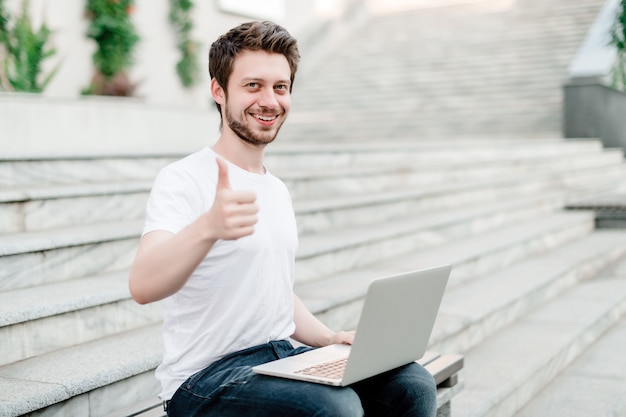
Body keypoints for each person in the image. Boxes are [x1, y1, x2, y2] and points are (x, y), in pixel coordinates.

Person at [128, 20, 437, 417]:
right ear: (218, 91)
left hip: (278, 358)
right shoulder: (183, 178)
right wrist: (208, 228)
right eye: (253, 85)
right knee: (333, 408)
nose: (270, 100)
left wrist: (329, 338)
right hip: (204, 380)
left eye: (280, 87)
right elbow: (143, 285)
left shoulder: (275, 189)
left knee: (411, 385)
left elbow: (272, 289)